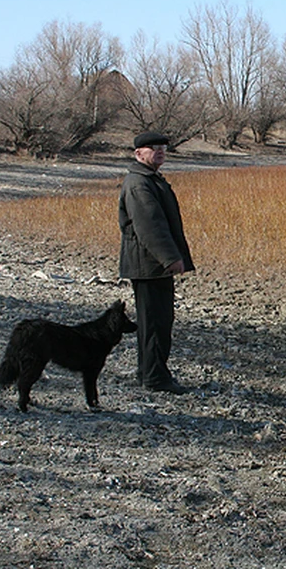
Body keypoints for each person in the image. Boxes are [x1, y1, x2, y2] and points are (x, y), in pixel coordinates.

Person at [118, 132, 195, 394]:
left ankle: (148, 373)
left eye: (163, 148)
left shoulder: (149, 178)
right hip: (149, 266)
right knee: (155, 323)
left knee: (156, 321)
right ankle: (155, 378)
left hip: (151, 265)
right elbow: (150, 226)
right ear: (138, 153)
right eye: (153, 148)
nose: (160, 152)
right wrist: (170, 258)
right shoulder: (139, 183)